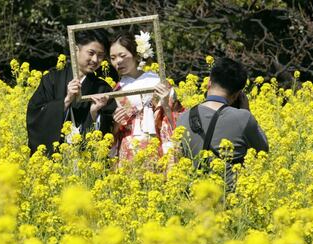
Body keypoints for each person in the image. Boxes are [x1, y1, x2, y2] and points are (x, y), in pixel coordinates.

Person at [176, 57, 269, 188]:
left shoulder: (183, 118)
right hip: (231, 200)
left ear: (209, 83)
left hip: (195, 199)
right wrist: (246, 110)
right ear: (237, 94)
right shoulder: (244, 118)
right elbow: (263, 150)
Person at [27, 29, 117, 156]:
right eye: (91, 53)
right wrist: (66, 100)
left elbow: (109, 130)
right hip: (55, 159)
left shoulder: (102, 88)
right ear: (76, 50)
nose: (95, 60)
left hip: (85, 162)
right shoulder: (52, 79)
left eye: (101, 55)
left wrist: (94, 113)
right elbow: (34, 115)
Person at [109, 32, 182, 160]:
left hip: (156, 145)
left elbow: (175, 118)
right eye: (113, 58)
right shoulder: (117, 90)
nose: (118, 62)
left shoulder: (157, 82)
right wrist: (116, 124)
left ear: (136, 55)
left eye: (122, 55)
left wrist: (165, 104)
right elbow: (115, 131)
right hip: (128, 151)